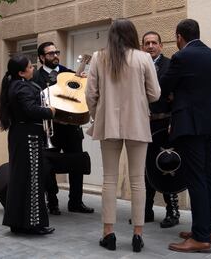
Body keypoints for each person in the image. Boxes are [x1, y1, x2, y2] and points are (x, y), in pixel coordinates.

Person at [85, 19, 161, 252]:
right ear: (133, 35)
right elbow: (155, 93)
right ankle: (138, 234)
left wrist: (97, 113)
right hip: (138, 123)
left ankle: (109, 233)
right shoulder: (144, 58)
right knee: (138, 181)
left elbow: (90, 94)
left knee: (109, 179)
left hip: (108, 124)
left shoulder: (100, 57)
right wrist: (139, 101)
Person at [160, 19, 211, 253]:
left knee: (195, 179)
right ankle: (207, 228)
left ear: (179, 37)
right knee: (207, 176)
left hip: (190, 125)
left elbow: (163, 86)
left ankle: (200, 238)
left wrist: (172, 94)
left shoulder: (182, 57)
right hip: (209, 123)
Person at [0, 55, 56, 235]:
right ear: (21, 73)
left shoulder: (16, 84)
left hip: (21, 136)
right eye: (30, 67)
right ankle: (33, 224)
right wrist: (49, 111)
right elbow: (30, 110)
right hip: (28, 137)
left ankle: (18, 223)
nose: (33, 69)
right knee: (33, 181)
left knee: (20, 179)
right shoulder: (21, 86)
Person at [32, 42, 94, 215]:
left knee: (77, 164)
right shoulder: (36, 78)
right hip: (50, 129)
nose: (55, 56)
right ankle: (52, 201)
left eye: (56, 52)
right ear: (42, 58)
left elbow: (82, 94)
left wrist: (84, 80)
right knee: (48, 167)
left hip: (72, 128)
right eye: (50, 54)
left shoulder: (69, 73)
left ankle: (76, 201)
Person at [141, 31, 180, 228]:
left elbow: (176, 95)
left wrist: (175, 121)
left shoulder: (170, 64)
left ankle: (172, 212)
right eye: (146, 43)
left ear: (161, 46)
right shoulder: (138, 67)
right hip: (142, 126)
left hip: (164, 124)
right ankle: (145, 212)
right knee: (144, 168)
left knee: (167, 167)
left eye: (154, 43)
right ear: (142, 47)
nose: (150, 46)